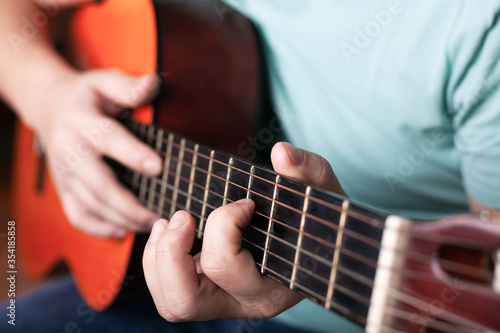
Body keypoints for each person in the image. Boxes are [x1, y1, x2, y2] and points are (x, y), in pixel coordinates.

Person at [1, 0, 499, 332]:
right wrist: (48, 97)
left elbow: (480, 292)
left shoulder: (479, 27)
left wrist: (313, 253)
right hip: (148, 277)